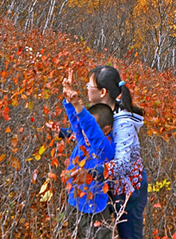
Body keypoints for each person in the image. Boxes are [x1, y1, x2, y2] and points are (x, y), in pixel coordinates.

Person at [88, 65, 147, 239]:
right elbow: (92, 131)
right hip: (111, 186)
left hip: (130, 191)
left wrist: (97, 172)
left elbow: (123, 163)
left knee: (130, 236)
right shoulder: (105, 113)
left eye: (89, 86)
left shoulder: (123, 123)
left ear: (102, 92)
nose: (86, 90)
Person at [59, 70, 116, 239]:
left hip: (95, 213)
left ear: (106, 131)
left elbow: (91, 130)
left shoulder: (104, 150)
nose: (85, 133)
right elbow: (79, 125)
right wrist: (70, 102)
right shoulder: (84, 142)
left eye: (90, 130)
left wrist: (79, 106)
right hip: (74, 204)